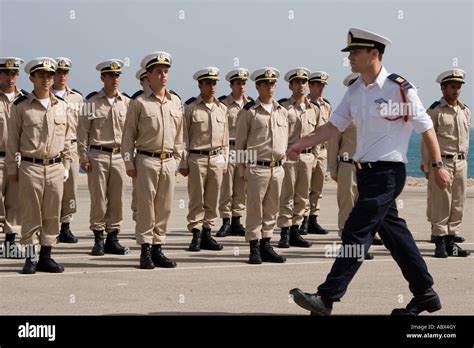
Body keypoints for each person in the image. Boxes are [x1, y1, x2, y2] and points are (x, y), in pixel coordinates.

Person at [288, 28, 449, 315]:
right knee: (395, 236)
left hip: (388, 173)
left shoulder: (399, 88)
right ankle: (425, 293)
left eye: (355, 52)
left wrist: (437, 166)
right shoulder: (355, 90)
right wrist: (301, 144)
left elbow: (425, 126)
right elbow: (333, 126)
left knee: (356, 231)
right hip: (365, 174)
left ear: (374, 54)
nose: (349, 57)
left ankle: (326, 297)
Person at [7, 57, 71, 273]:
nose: (46, 79)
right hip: (30, 166)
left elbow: (68, 140)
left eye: (49, 75)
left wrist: (66, 166)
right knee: (31, 213)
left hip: (55, 167)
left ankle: (46, 256)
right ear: (31, 78)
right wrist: (11, 170)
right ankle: (30, 258)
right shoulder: (21, 107)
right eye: (42, 75)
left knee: (52, 214)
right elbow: (12, 142)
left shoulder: (61, 106)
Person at [122, 51, 182, 269]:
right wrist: (129, 164)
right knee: (146, 208)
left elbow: (180, 136)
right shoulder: (139, 103)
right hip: (146, 160)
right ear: (149, 75)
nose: (163, 75)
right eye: (159, 72)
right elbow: (128, 137)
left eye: (166, 71)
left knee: (164, 208)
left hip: (168, 162)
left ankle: (158, 248)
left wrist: (177, 158)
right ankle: (145, 251)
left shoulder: (175, 101)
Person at [77, 59, 130, 256]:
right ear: (102, 77)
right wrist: (83, 157)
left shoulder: (127, 102)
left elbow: (131, 132)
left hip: (119, 156)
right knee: (98, 199)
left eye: (117, 75)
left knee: (117, 200)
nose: (115, 79)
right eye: (110, 75)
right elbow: (82, 133)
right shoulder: (90, 103)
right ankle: (98, 239)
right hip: (97, 155)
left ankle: (113, 238)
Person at [235, 67, 287, 264]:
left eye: (272, 83)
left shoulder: (282, 111)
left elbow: (285, 140)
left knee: (272, 209)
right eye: (265, 83)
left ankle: (267, 243)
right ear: (257, 86)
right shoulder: (249, 112)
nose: (270, 87)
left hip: (277, 167)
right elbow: (240, 143)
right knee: (255, 209)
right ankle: (254, 247)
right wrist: (241, 169)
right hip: (257, 167)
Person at [421, 69, 470, 258]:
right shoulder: (435, 110)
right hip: (442, 163)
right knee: (441, 202)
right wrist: (428, 166)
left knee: (458, 202)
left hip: (461, 162)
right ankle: (439, 241)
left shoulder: (465, 111)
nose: (456, 91)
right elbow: (427, 139)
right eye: (452, 87)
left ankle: (452, 241)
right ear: (443, 88)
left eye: (458, 87)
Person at [179, 67, 228, 252]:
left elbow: (225, 139)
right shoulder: (190, 108)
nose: (212, 86)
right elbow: (183, 137)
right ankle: (196, 234)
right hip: (197, 158)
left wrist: (224, 160)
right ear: (200, 85)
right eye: (208, 83)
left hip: (216, 158)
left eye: (214, 83)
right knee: (196, 199)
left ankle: (208, 232)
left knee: (212, 199)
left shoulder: (222, 108)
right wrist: (183, 162)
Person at [276, 67, 319, 249]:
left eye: (304, 82)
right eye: (297, 82)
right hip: (289, 157)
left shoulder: (314, 109)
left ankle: (296, 230)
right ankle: (284, 232)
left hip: (307, 157)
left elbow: (317, 134)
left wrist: (315, 157)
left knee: (302, 197)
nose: (301, 86)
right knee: (287, 196)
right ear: (291, 86)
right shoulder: (284, 107)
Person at [216, 68, 253, 237]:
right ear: (231, 85)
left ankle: (237, 220)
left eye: (243, 83)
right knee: (226, 186)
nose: (241, 86)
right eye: (238, 83)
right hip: (229, 147)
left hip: (245, 150)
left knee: (241, 186)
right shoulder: (223, 104)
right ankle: (226, 221)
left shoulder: (251, 104)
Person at [52, 57, 83, 243]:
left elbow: (84, 126)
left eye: (65, 72)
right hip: (53, 147)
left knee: (70, 189)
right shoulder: (45, 96)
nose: (62, 76)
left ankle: (66, 225)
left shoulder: (77, 98)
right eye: (58, 72)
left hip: (71, 147)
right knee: (52, 190)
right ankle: (50, 226)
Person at [0, 57, 27, 258]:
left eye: (14, 73)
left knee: (15, 202)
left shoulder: (25, 100)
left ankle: (10, 243)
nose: (10, 77)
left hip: (17, 159)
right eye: (6, 73)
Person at [301, 71, 331, 235]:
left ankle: (313, 218)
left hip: (323, 152)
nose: (321, 88)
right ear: (310, 86)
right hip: (308, 152)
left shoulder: (326, 106)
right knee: (305, 187)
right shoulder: (304, 106)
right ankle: (303, 220)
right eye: (317, 85)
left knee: (318, 188)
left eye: (323, 86)